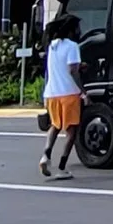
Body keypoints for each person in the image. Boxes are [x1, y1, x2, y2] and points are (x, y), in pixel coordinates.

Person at [39, 15, 84, 179]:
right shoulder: (72, 46)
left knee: (55, 126)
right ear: (72, 30)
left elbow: (60, 67)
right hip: (69, 94)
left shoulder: (52, 46)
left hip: (52, 93)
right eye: (77, 28)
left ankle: (46, 155)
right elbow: (72, 71)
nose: (79, 31)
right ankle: (62, 167)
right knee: (71, 132)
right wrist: (83, 92)